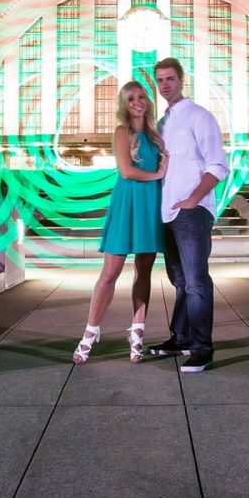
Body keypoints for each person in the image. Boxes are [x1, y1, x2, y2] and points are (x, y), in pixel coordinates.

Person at [74, 80, 168, 364]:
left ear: (148, 102)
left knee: (144, 271)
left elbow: (167, 163)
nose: (138, 101)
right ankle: (90, 333)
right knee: (110, 273)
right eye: (131, 98)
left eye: (142, 97)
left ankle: (137, 334)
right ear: (124, 104)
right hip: (127, 203)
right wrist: (157, 175)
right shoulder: (121, 132)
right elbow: (126, 171)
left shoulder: (156, 137)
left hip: (151, 206)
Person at [146, 57, 228, 372]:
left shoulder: (199, 116)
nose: (165, 85)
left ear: (181, 80)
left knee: (195, 281)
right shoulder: (162, 123)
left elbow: (217, 165)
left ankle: (202, 349)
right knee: (178, 280)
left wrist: (194, 199)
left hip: (192, 213)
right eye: (160, 80)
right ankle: (179, 339)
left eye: (170, 79)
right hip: (167, 214)